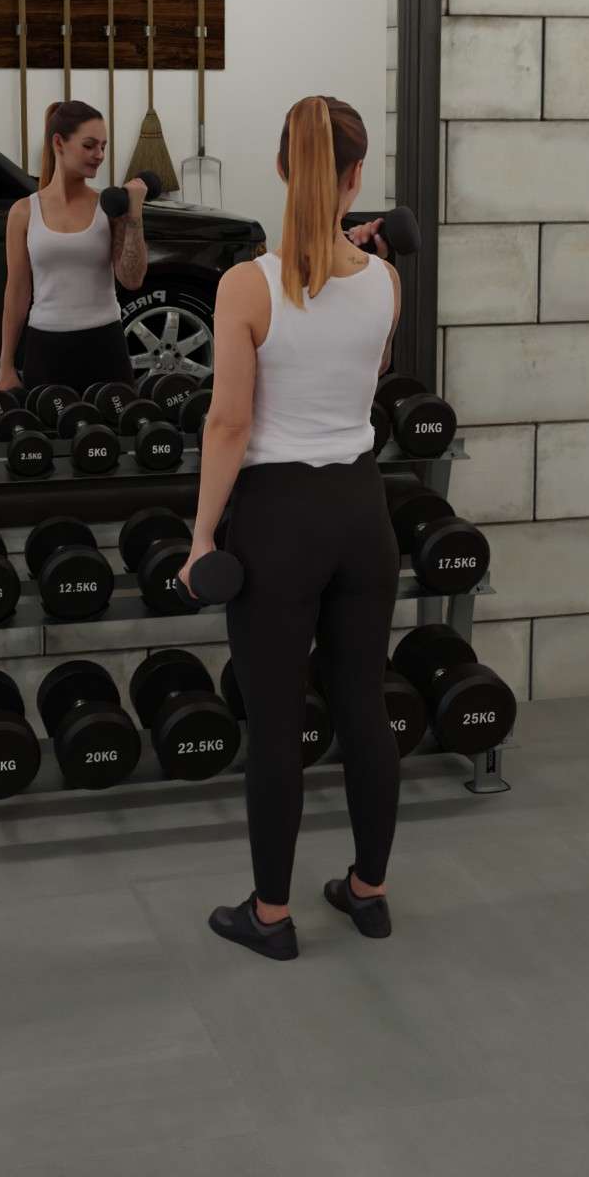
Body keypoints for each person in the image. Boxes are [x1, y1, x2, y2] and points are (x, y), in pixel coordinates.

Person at [189, 95, 401, 960]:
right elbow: (369, 369)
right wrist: (362, 258)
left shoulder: (246, 285)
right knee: (363, 706)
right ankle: (368, 893)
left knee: (277, 723)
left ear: (282, 168)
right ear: (356, 175)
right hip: (362, 513)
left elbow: (228, 424)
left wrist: (202, 539)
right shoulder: (386, 280)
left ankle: (270, 917)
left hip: (278, 521)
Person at [0, 98, 147, 396]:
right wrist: (6, 365)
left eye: (103, 146)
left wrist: (134, 214)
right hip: (46, 349)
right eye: (89, 145)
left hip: (105, 345)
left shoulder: (109, 206)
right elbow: (17, 291)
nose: (99, 155)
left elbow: (132, 278)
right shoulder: (24, 212)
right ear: (59, 143)